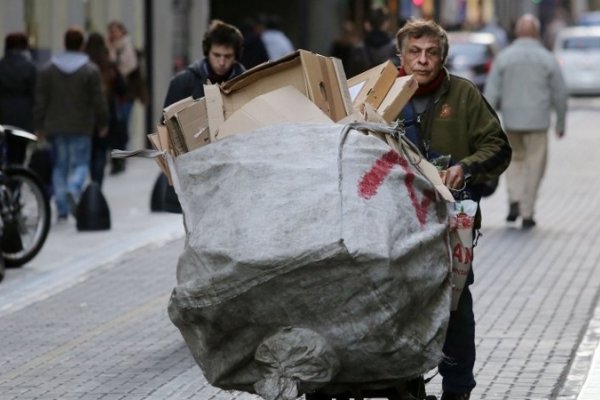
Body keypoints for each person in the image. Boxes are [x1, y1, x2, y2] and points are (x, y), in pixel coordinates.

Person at [396, 18, 512, 399]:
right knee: (397, 302)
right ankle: (401, 381)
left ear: (442, 56)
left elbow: (498, 146)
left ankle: (458, 388)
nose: (423, 60)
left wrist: (466, 167)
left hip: (452, 223)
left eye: (431, 52)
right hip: (395, 223)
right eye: (414, 52)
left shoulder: (463, 95)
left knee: (455, 306)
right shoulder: (382, 95)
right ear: (402, 55)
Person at [484, 14, 567, 229]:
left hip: (511, 121)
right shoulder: (547, 58)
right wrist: (560, 123)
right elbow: (560, 93)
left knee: (514, 162)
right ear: (537, 33)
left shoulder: (504, 57)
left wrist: (486, 123)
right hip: (538, 122)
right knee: (535, 166)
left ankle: (515, 199)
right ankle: (527, 211)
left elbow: (491, 93)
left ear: (517, 32)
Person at [34, 27, 108, 222]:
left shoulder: (48, 69)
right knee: (81, 164)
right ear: (81, 45)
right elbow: (98, 99)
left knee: (59, 166)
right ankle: (73, 188)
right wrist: (103, 122)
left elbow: (41, 100)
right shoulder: (90, 70)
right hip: (81, 125)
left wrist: (39, 125)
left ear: (65, 43)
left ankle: (61, 206)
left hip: (55, 126)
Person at [163, 19, 245, 107]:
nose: (222, 62)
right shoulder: (182, 83)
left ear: (236, 57)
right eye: (217, 55)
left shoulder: (247, 84)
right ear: (207, 52)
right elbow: (168, 119)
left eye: (228, 56)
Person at [85, 32, 127, 188]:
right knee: (101, 151)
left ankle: (93, 182)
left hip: (86, 113)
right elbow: (122, 87)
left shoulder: (84, 63)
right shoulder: (109, 64)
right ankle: (97, 184)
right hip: (106, 111)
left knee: (91, 150)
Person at [107, 20, 143, 174]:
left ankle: (121, 155)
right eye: (111, 31)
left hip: (125, 93)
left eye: (116, 31)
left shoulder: (126, 45)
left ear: (122, 31)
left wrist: (116, 67)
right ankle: (118, 156)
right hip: (115, 93)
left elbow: (130, 66)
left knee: (122, 123)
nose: (113, 34)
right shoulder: (111, 47)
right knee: (117, 124)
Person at [0, 32, 36, 165]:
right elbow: (34, 93)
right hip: (23, 115)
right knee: (20, 151)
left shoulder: (1, 65)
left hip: (3, 114)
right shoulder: (29, 67)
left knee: (5, 149)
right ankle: (16, 181)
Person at [348, 6, 399, 76]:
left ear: (367, 24)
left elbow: (351, 77)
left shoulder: (358, 50)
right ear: (386, 23)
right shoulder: (396, 48)